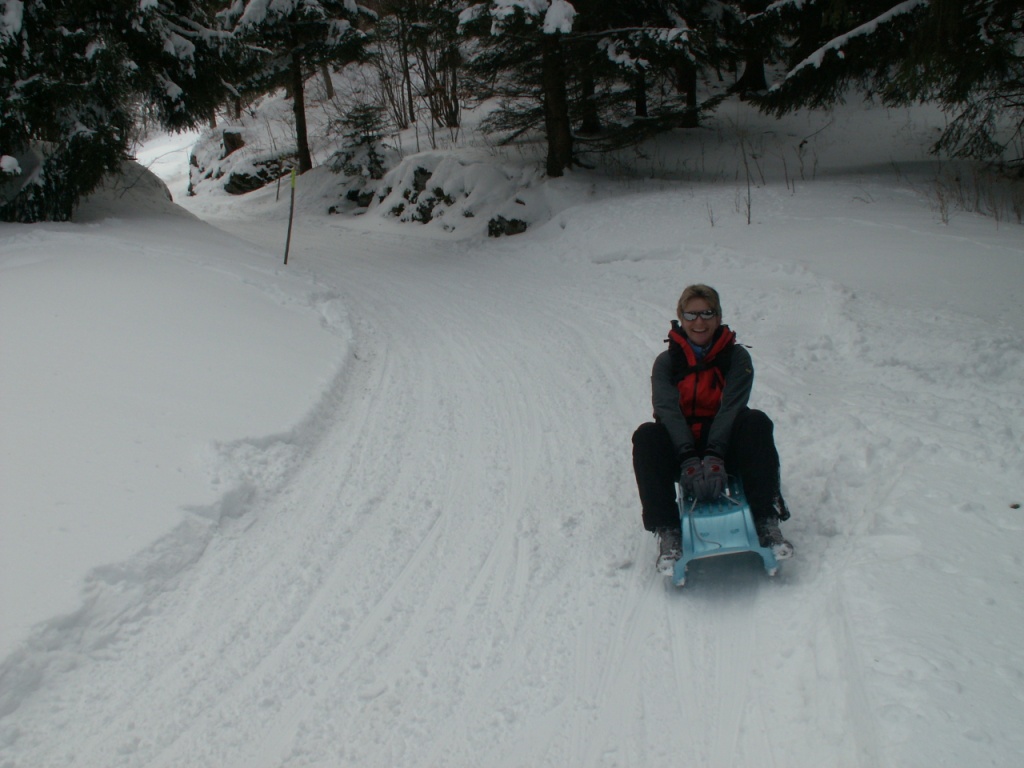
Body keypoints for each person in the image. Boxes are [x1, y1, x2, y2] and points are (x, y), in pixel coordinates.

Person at [631, 284, 793, 575]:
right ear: (681, 318)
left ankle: (766, 521)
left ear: (718, 317)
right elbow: (667, 412)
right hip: (684, 451)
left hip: (727, 445)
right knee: (647, 436)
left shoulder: (736, 358)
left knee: (756, 421)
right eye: (691, 315)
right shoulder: (666, 363)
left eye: (707, 313)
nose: (699, 322)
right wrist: (687, 457)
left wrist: (715, 453)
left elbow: (732, 407)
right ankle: (669, 532)